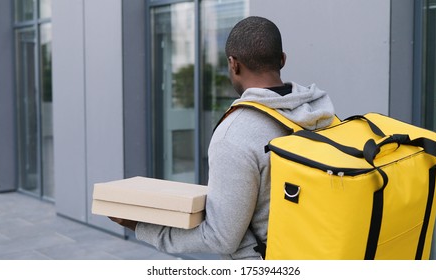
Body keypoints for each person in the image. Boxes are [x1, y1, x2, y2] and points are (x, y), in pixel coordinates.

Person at [109, 16, 335, 260]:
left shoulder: (235, 134)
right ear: (282, 60)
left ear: (233, 64)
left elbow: (221, 237)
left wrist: (141, 227)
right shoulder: (321, 113)